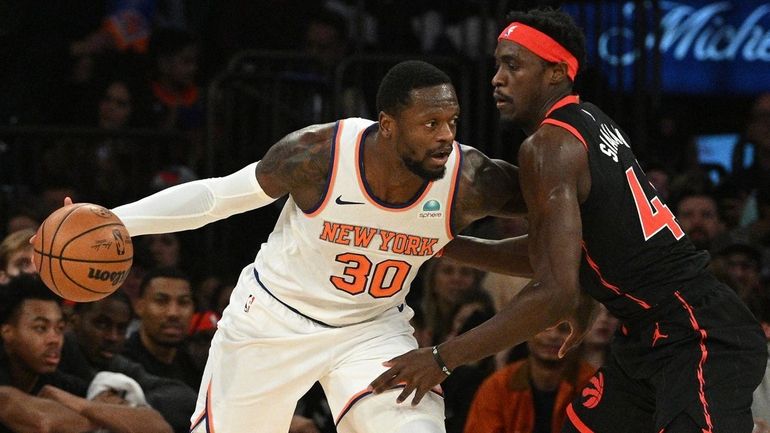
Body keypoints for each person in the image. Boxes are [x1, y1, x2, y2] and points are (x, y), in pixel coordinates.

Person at [50, 60, 528, 432]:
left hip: (371, 329)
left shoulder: (471, 179)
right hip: (273, 320)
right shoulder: (318, 154)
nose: (446, 136)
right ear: (387, 124)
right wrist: (116, 220)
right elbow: (217, 195)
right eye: (430, 124)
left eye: (452, 121)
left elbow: (560, 207)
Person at [370, 9, 767, 433]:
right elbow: (577, 244)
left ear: (556, 71)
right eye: (497, 64)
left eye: (513, 65)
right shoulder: (589, 120)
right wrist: (441, 244)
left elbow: (553, 291)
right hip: (648, 336)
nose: (496, 79)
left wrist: (441, 358)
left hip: (697, 334)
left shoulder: (548, 146)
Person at [0, 274, 172, 433]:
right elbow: (43, 422)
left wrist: (79, 404)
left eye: (59, 329)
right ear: (8, 332)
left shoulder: (60, 384)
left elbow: (159, 427)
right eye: (41, 328)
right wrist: (103, 414)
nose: (54, 339)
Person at [59, 292, 198, 433]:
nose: (113, 337)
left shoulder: (114, 363)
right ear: (73, 321)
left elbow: (186, 398)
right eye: (102, 325)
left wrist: (128, 404)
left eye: (121, 328)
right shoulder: (53, 359)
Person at [463, 324, 596, 433]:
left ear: (579, 337)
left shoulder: (593, 385)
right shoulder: (498, 385)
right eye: (544, 328)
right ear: (526, 334)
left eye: (564, 330)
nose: (553, 336)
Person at [122, 267, 201, 390]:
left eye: (183, 302)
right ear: (139, 306)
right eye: (161, 301)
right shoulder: (120, 364)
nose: (173, 313)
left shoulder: (196, 365)